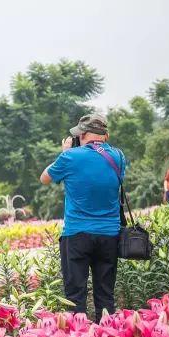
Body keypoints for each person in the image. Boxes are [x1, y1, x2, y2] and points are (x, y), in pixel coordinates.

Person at [39, 113, 125, 322]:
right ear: (106, 135)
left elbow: (45, 179)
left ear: (83, 134)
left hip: (77, 235)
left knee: (75, 297)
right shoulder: (118, 156)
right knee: (106, 296)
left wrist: (65, 152)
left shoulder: (70, 157)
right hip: (109, 235)